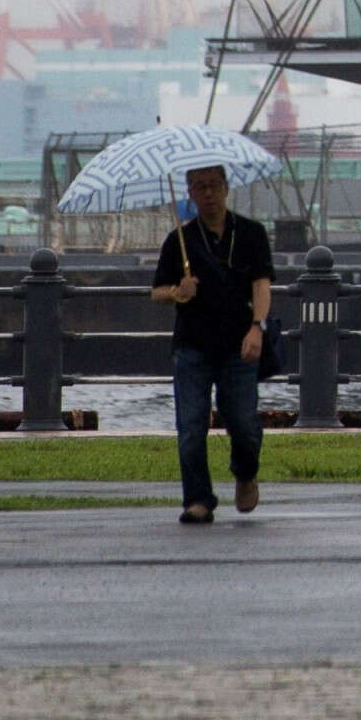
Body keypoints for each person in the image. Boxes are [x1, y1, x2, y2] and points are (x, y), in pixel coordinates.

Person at [153, 159, 273, 527]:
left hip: (239, 345)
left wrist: (258, 328)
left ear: (226, 186)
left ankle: (245, 471)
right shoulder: (180, 240)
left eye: (214, 184)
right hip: (192, 347)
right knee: (190, 426)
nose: (208, 193)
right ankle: (198, 499)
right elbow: (156, 292)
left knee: (243, 422)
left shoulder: (250, 233)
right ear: (189, 193)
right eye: (200, 187)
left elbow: (261, 285)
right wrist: (179, 290)